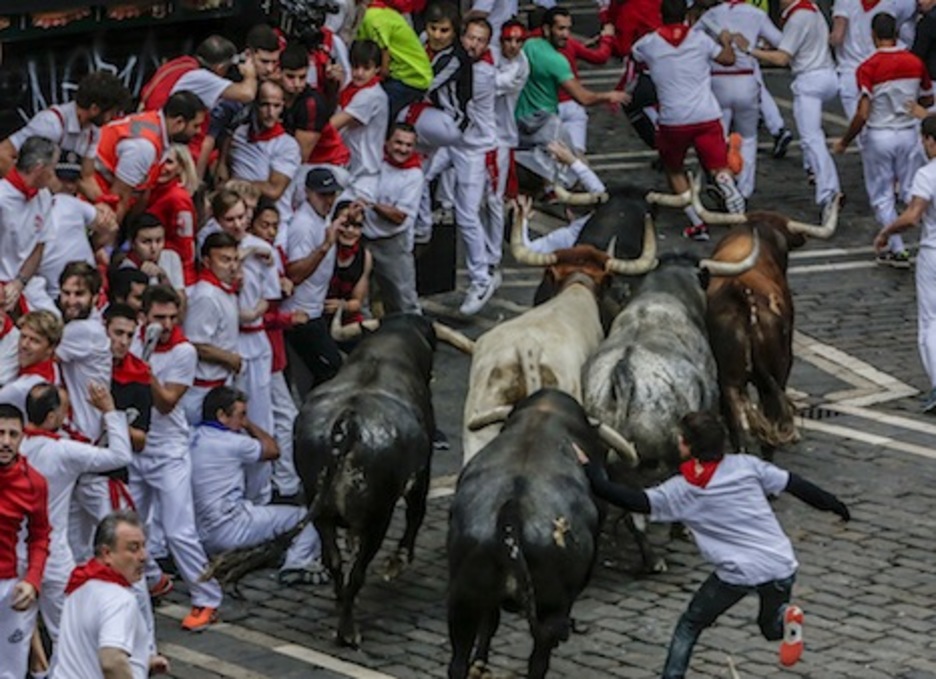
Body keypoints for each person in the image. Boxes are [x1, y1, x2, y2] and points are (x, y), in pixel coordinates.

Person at [577, 411, 851, 677]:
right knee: (770, 628)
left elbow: (626, 498)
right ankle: (785, 617)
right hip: (780, 564)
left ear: (687, 446)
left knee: (689, 625)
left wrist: (589, 467)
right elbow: (797, 484)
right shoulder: (747, 466)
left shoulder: (683, 490)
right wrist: (835, 506)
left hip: (738, 572)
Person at [130, 285, 225, 630]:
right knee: (131, 523)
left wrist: (143, 369)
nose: (167, 324)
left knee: (178, 531)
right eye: (159, 317)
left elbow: (168, 401)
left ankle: (207, 597)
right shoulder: (133, 337)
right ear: (144, 316)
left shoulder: (184, 351)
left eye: (172, 317)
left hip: (169, 451)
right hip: (136, 446)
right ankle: (153, 579)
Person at [21, 381, 133, 642]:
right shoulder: (63, 451)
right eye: (63, 410)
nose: (66, 416)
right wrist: (109, 411)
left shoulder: (15, 445)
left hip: (16, 549)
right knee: (69, 632)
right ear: (51, 417)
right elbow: (120, 455)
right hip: (52, 553)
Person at [190, 387, 328, 585]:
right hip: (230, 528)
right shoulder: (235, 443)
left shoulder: (192, 435)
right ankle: (297, 563)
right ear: (221, 415)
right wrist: (249, 425)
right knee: (306, 517)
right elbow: (273, 449)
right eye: (241, 415)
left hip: (198, 533)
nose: (243, 420)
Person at [634, 0, 745, 240]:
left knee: (674, 170)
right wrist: (725, 40)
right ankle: (726, 183)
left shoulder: (649, 43)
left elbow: (635, 56)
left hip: (673, 119)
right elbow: (728, 59)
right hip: (706, 114)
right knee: (718, 166)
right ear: (686, 15)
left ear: (661, 16)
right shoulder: (700, 40)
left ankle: (697, 223)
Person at [834, 13, 933, 268]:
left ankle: (896, 247)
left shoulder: (868, 67)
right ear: (897, 33)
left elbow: (863, 113)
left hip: (879, 134)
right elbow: (928, 98)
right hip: (909, 133)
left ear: (874, 35)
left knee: (882, 195)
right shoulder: (914, 62)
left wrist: (845, 141)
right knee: (913, 189)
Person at [741, 0, 841, 219]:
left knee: (811, 139)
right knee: (813, 136)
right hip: (827, 74)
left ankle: (828, 192)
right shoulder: (812, 9)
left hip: (810, 80)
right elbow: (794, 45)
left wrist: (749, 49)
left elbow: (782, 58)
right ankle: (814, 171)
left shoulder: (797, 17)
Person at [49, 511, 169, 678]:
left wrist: (143, 662)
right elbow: (112, 661)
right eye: (133, 548)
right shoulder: (119, 599)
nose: (143, 556)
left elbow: (87, 650)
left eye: (143, 546)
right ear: (107, 553)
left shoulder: (79, 585)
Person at [873, 116, 936, 411]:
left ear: (930, 141)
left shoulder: (927, 174)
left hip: (933, 253)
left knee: (930, 323)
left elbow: (912, 217)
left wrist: (886, 232)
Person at [248, 202, 306, 501]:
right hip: (263, 346)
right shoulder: (256, 259)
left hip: (273, 348)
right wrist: (286, 319)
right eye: (264, 225)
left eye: (274, 225)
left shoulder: (275, 255)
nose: (270, 232)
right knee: (280, 414)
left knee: (279, 413)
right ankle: (282, 480)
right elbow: (254, 312)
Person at [699, 0, 784, 198]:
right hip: (746, 81)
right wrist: (757, 46)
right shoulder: (756, 14)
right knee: (749, 138)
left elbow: (691, 36)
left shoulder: (711, 15)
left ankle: (722, 182)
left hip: (718, 81)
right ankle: (745, 189)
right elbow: (781, 42)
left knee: (719, 138)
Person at [87, 91, 206, 224]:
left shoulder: (156, 126)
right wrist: (111, 240)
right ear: (178, 122)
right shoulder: (144, 147)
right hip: (91, 196)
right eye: (195, 125)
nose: (198, 131)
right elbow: (118, 199)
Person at [0, 71, 129, 182]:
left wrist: (103, 204)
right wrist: (26, 190)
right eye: (112, 113)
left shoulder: (93, 132)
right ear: (94, 109)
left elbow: (87, 178)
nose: (113, 118)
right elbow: (3, 154)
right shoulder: (50, 124)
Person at [0, 403, 50, 679]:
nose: (5, 441)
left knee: (10, 671)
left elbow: (41, 536)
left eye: (12, 434)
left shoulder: (35, 483)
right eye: (0, 433)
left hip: (9, 587)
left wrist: (33, 580)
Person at [282, 167, 342, 386]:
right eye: (322, 195)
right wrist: (325, 247)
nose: (328, 200)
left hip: (314, 311)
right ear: (307, 193)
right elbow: (295, 273)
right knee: (331, 368)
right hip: (301, 315)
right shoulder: (303, 225)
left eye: (332, 194)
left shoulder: (321, 216)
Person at [362, 123, 424, 314]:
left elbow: (398, 216)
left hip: (392, 243)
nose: (403, 149)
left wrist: (371, 204)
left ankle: (412, 338)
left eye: (408, 145)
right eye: (398, 143)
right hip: (362, 239)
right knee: (359, 299)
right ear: (387, 142)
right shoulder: (374, 161)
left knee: (403, 300)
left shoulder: (414, 175)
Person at [38, 152, 115, 302]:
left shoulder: (76, 204)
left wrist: (93, 246)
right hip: (49, 293)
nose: (68, 186)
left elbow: (110, 226)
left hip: (86, 289)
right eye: (62, 179)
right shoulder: (33, 203)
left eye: (73, 180)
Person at [182, 231, 242, 423]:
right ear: (207, 261)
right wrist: (229, 358)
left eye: (235, 260)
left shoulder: (224, 290)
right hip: (202, 391)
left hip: (220, 384)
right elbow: (195, 343)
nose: (232, 266)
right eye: (225, 260)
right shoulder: (206, 296)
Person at [0, 136, 59, 314]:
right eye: (52, 170)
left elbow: (39, 246)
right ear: (39, 169)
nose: (54, 176)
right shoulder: (2, 197)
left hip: (26, 282)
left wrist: (20, 282)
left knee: (53, 324)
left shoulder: (44, 196)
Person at [224, 80, 302, 208]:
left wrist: (234, 185)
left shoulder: (287, 145)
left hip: (272, 215)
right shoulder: (240, 133)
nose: (270, 113)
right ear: (255, 104)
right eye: (265, 105)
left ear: (283, 107)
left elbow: (273, 190)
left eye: (276, 106)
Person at [357, 0, 433, 125]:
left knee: (376, 116)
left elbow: (384, 60)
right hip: (408, 74)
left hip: (409, 77)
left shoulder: (373, 17)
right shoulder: (380, 12)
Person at [332, 40, 390, 203]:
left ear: (377, 69)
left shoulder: (371, 96)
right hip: (349, 170)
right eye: (355, 67)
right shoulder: (351, 90)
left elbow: (333, 125)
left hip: (365, 176)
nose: (359, 73)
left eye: (366, 68)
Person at [145, 144, 199, 287]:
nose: (162, 166)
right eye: (158, 160)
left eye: (169, 162)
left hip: (176, 275)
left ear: (181, 167)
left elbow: (185, 245)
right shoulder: (154, 191)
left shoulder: (178, 198)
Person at [325, 200, 372, 326]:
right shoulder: (323, 248)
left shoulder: (365, 257)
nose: (350, 230)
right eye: (345, 224)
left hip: (345, 316)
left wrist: (342, 306)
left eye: (356, 226)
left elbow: (357, 302)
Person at [119, 213, 186, 295]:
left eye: (158, 241)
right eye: (146, 242)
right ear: (132, 243)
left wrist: (163, 278)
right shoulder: (126, 270)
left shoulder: (171, 257)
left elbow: (182, 305)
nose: (154, 248)